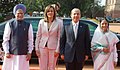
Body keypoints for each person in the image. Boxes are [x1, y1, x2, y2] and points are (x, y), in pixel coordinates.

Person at [2, 4, 34, 70]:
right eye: (18, 13)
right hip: (11, 54)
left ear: (23, 14)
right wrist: (7, 51)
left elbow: (30, 40)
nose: (20, 15)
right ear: (15, 14)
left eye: (21, 13)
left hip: (24, 55)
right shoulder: (9, 24)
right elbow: (5, 40)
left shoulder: (28, 25)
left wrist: (29, 52)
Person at [35, 5, 62, 70]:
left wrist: (57, 50)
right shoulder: (41, 22)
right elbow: (38, 36)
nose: (50, 13)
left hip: (54, 48)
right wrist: (36, 48)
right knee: (42, 66)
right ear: (46, 13)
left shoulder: (59, 22)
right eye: (48, 11)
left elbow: (59, 37)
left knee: (52, 66)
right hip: (42, 47)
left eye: (52, 11)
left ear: (54, 12)